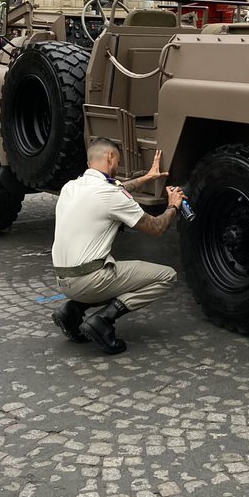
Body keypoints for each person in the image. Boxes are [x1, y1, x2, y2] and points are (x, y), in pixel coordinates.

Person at [51, 139, 184, 355]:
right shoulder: (112, 196)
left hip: (63, 282)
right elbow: (157, 227)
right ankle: (103, 320)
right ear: (111, 157)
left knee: (109, 273)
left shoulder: (71, 186)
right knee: (166, 276)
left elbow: (118, 187)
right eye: (118, 161)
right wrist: (173, 205)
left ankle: (72, 310)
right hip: (90, 281)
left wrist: (148, 178)